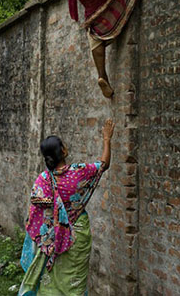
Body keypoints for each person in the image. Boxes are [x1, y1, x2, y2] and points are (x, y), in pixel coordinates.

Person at [18, 119, 115, 296]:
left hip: (53, 240)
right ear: (62, 151)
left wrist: (49, 232)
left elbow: (34, 215)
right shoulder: (79, 172)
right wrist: (107, 139)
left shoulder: (42, 180)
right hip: (77, 235)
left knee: (52, 279)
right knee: (74, 281)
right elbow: (104, 164)